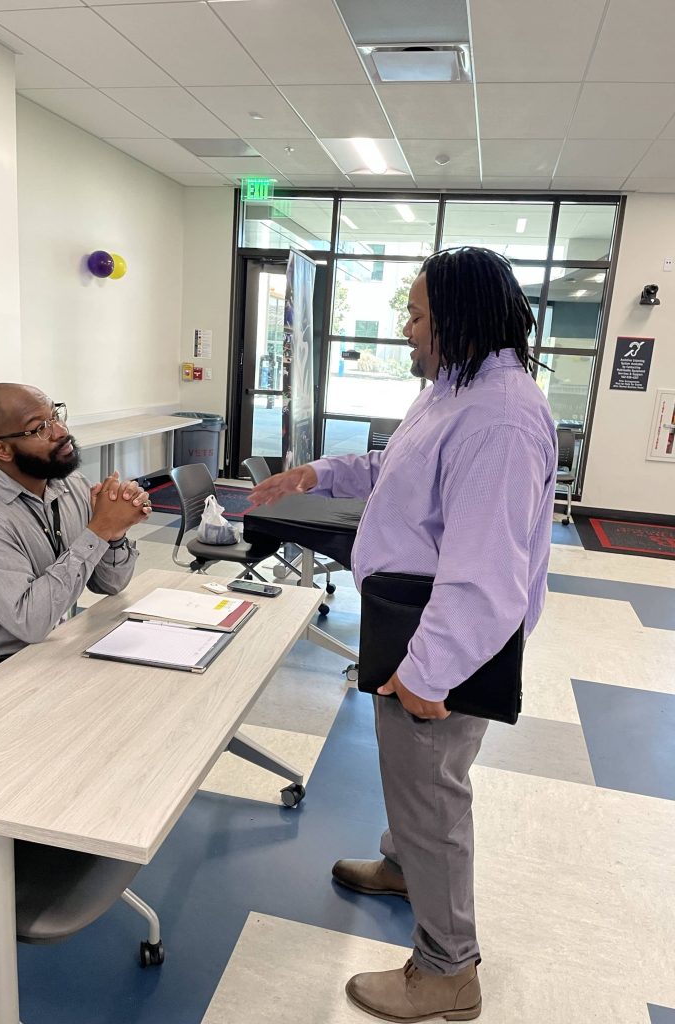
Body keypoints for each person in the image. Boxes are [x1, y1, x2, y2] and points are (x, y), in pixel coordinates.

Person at [251, 247, 558, 1022]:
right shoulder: (456, 390)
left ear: (458, 318)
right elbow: (401, 465)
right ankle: (402, 864)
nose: (405, 328)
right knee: (417, 785)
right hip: (411, 620)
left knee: (433, 791)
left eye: (417, 314)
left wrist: (430, 673)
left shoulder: (500, 417)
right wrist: (316, 474)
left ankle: (448, 969)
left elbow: (488, 572)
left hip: (441, 638)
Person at [0, 383, 152, 660]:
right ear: (2, 450)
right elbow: (29, 622)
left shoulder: (69, 484)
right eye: (40, 428)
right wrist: (100, 528)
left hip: (44, 648)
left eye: (56, 415)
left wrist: (115, 533)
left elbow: (110, 585)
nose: (61, 431)